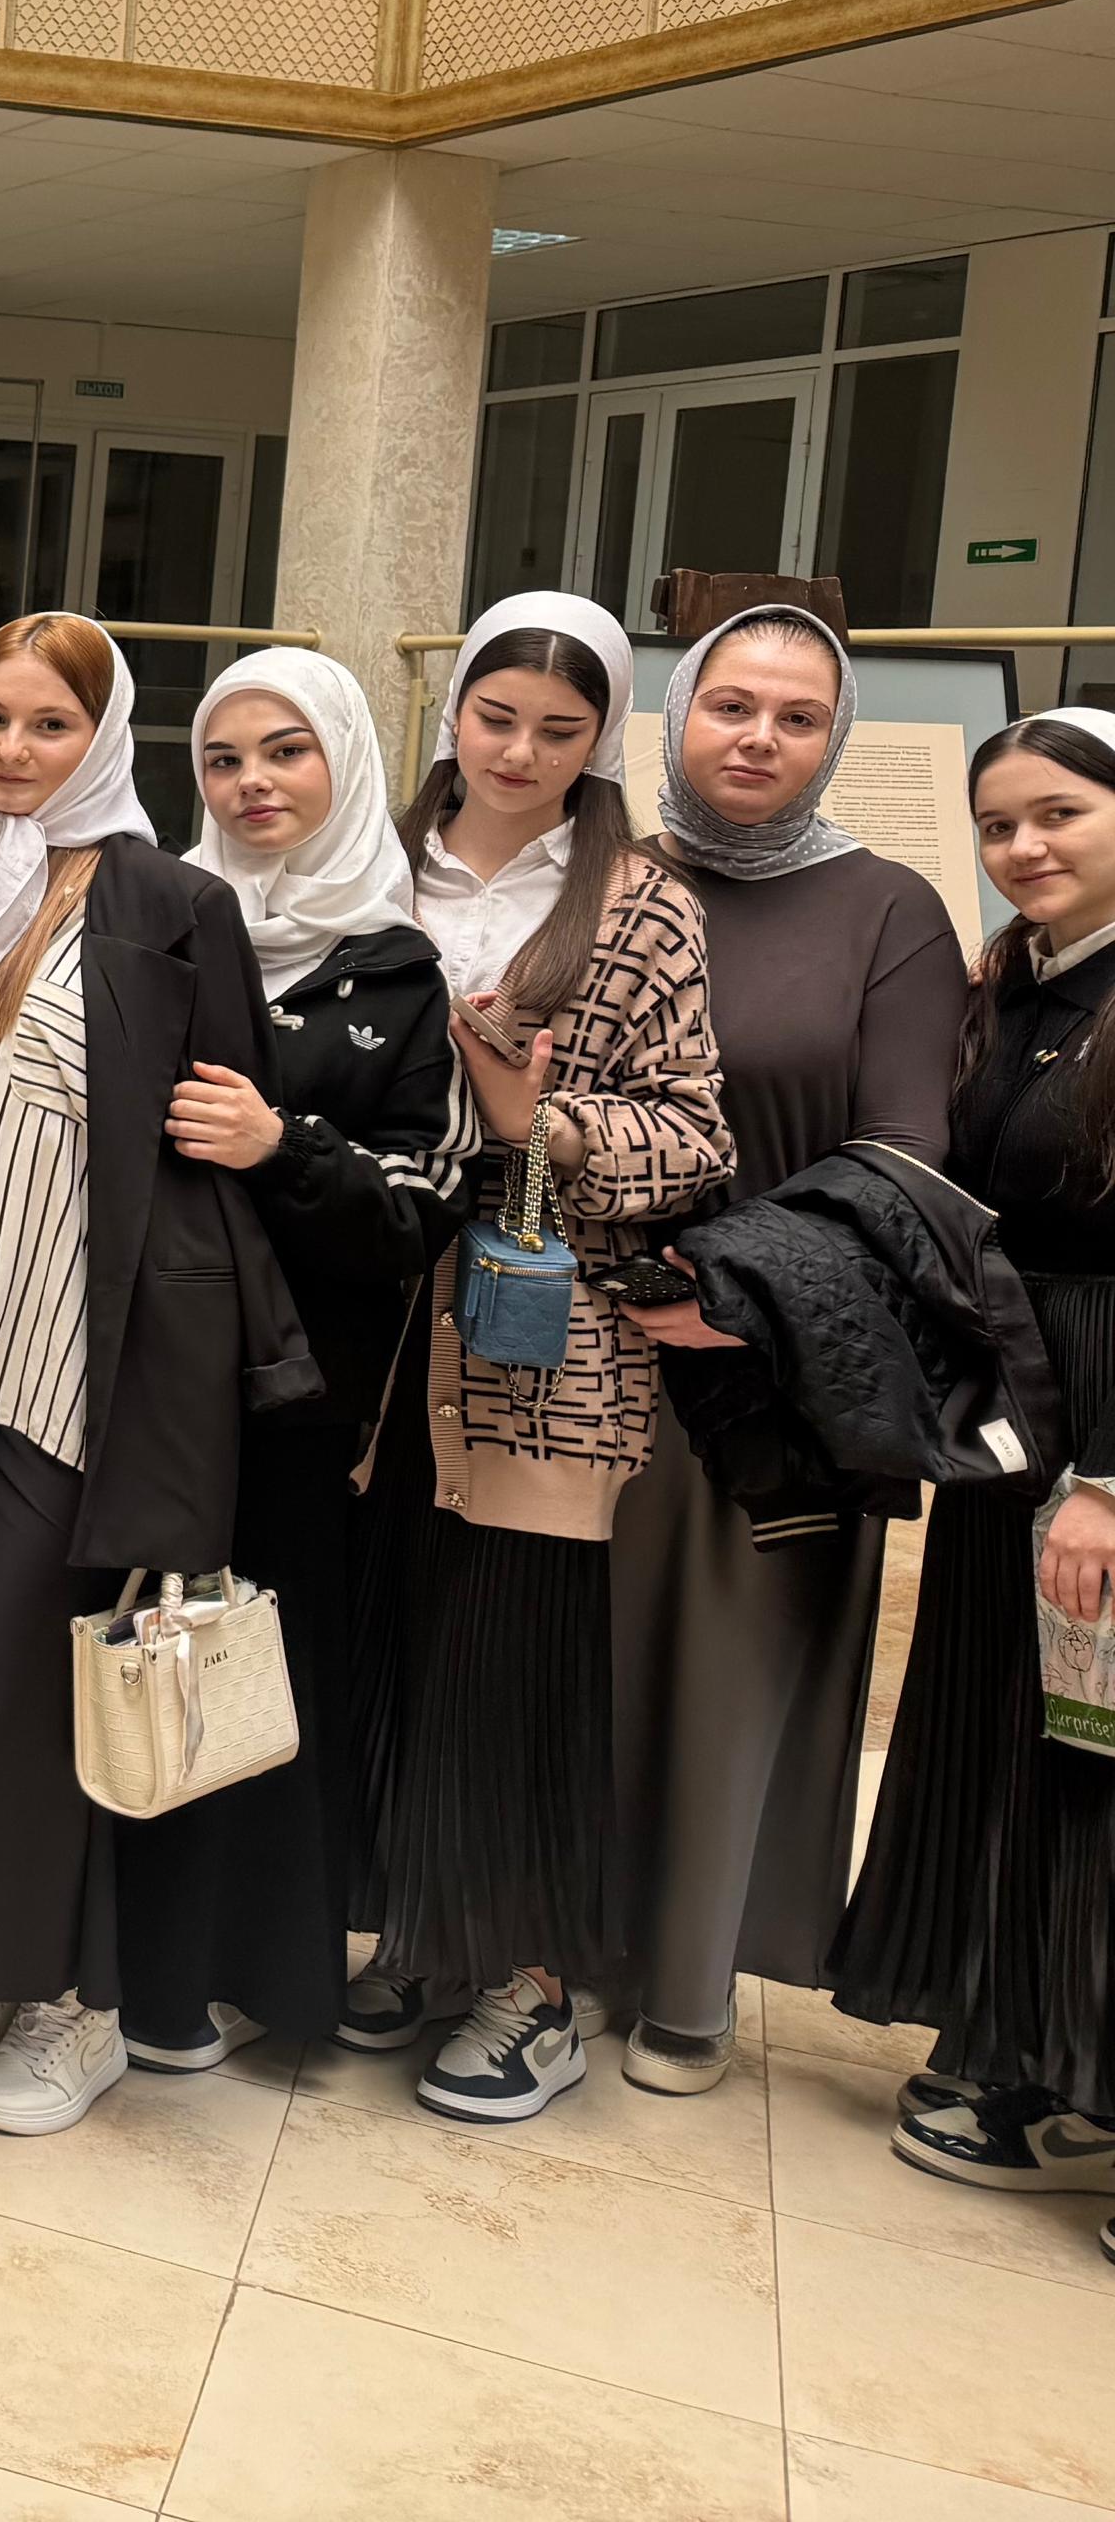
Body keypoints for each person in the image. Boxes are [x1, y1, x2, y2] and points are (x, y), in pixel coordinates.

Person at [0, 612, 316, 2140]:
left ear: (103, 740)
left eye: (50, 724)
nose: (13, 749)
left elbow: (215, 1174)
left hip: (72, 1367)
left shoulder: (173, 906)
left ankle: (75, 2005)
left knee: (36, 1675)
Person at [350, 592, 730, 2126]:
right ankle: (416, 1937)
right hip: (367, 1320)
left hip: (542, 1333)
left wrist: (543, 1120)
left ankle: (534, 1986)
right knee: (386, 1632)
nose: (517, 752)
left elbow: (696, 1136)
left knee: (515, 1653)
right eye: (495, 717)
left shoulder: (643, 902)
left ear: (603, 741)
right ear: (453, 712)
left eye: (559, 731)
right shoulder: (372, 862)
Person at [601, 608, 962, 2092]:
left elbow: (904, 1151)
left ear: (834, 739)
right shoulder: (605, 873)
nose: (757, 737)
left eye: (796, 716)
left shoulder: (888, 909)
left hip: (776, 1356)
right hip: (579, 1341)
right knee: (573, 1648)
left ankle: (686, 1983)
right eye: (729, 704)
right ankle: (537, 1945)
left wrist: (735, 1293)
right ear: (675, 713)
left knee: (732, 1662)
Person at [118, 651, 462, 2071]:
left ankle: (257, 1973)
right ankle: (132, 1971)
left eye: (286, 752)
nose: (251, 784)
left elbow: (419, 1214)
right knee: (137, 1653)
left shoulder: (401, 967)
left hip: (304, 1395)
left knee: (264, 1669)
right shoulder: (148, 929)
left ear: (345, 764)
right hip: (140, 1381)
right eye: (222, 758)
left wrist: (282, 1147)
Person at [835, 709, 1115, 2221]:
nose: (1023, 846)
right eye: (998, 823)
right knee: (1023, 1731)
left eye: (1058, 813)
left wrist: (1111, 1485)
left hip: (1102, 1424)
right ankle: (1025, 2047)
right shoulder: (1014, 986)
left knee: (1104, 1743)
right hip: (1019, 1404)